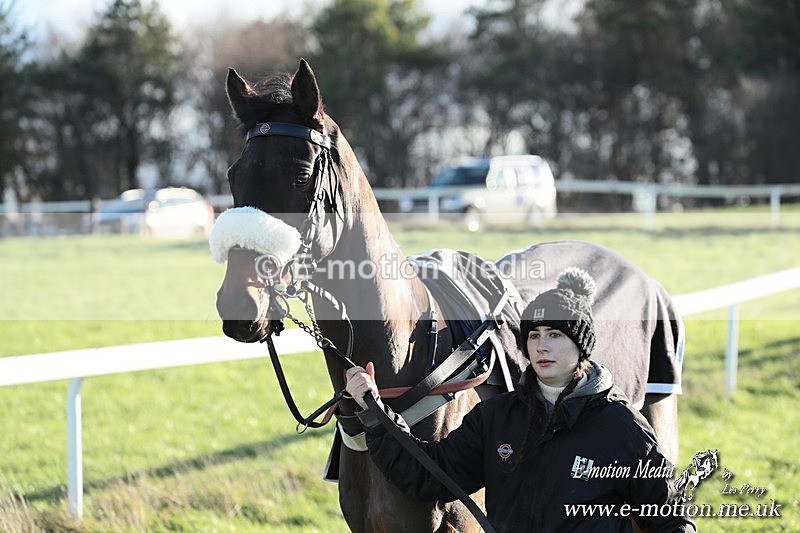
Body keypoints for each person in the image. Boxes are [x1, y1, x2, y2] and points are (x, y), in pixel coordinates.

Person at [345, 267, 694, 532]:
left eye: (555, 335)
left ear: (581, 346)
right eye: (535, 335)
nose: (541, 346)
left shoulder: (622, 428)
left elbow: (671, 520)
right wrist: (375, 412)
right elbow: (429, 475)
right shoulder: (496, 417)